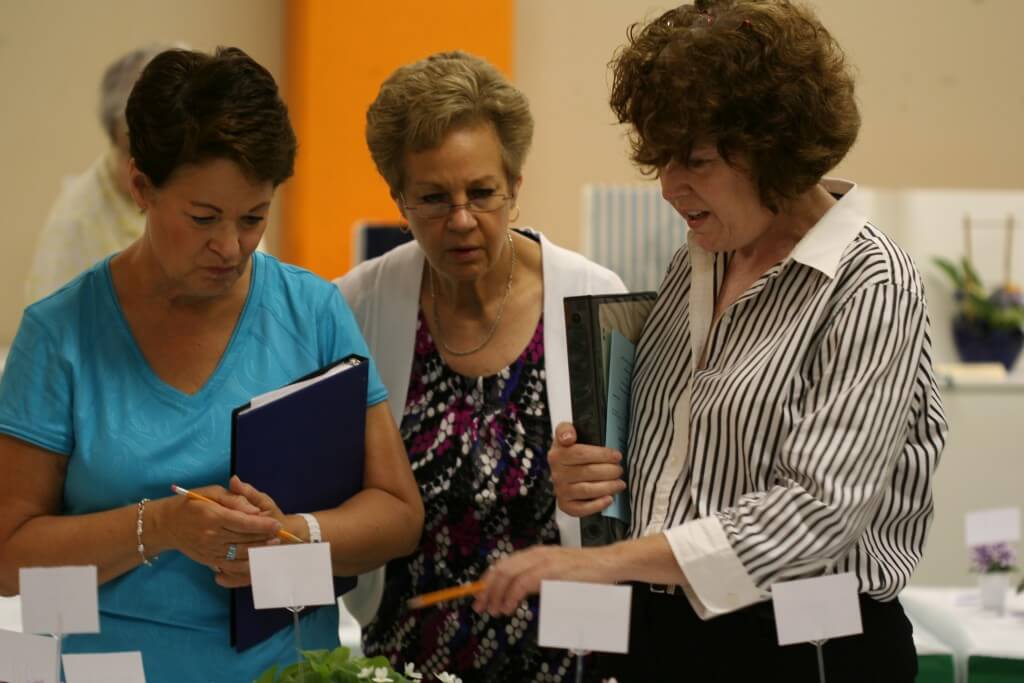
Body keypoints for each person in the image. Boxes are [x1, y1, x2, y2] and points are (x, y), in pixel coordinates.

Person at [474, 2, 948, 681]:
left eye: (694, 159)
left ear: (776, 147)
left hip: (803, 647)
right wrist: (592, 475)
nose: (669, 186)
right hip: (668, 633)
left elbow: (814, 511)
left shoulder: (869, 281)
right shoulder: (699, 259)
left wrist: (601, 561)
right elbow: (674, 467)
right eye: (660, 158)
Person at [0, 47, 423, 683]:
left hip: (282, 669)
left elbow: (397, 514)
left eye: (254, 218)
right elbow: (9, 555)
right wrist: (162, 525)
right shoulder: (61, 334)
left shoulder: (311, 311)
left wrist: (293, 533)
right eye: (202, 219)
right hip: (105, 669)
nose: (230, 247)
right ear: (141, 187)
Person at [335, 51, 626, 682]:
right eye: (434, 198)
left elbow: (638, 495)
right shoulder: (357, 305)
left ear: (515, 185)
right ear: (398, 198)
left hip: (566, 653)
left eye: (483, 193)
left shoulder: (592, 297)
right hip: (406, 651)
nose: (462, 220)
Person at [25, 44, 169, 304]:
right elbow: (54, 333)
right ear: (115, 137)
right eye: (135, 152)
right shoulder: (75, 222)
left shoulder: (202, 194)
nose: (154, 172)